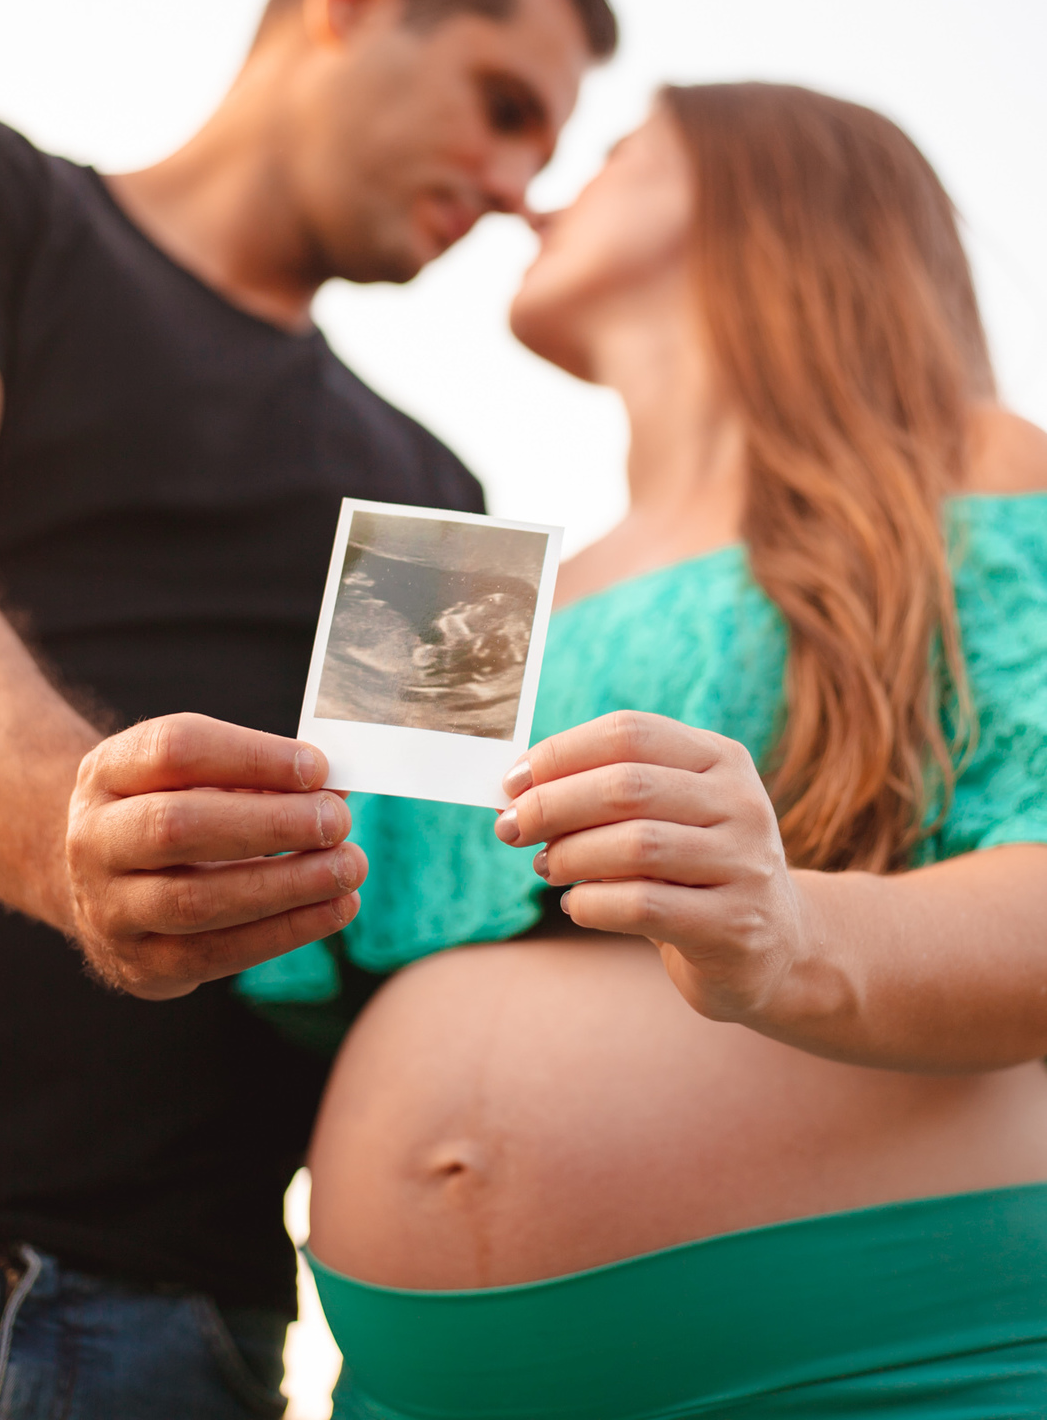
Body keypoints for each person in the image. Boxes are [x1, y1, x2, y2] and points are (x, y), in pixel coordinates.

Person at [0, 0, 615, 1417]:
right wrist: (68, 832)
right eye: (503, 105)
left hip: (184, 1330)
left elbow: (416, 918)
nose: (517, 185)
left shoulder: (440, 497)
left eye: (545, 151)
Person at [301, 83, 1047, 1417]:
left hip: (886, 1366)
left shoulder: (978, 470)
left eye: (613, 150)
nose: (532, 195)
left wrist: (794, 935)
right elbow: (312, 958)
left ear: (775, 186)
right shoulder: (446, 588)